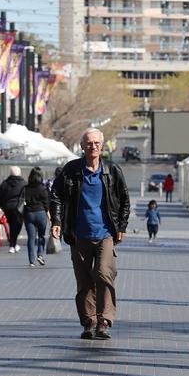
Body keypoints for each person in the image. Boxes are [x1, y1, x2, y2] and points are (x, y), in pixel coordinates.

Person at [50, 128, 130, 340]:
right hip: (79, 235)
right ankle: (89, 321)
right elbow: (55, 194)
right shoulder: (72, 170)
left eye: (96, 143)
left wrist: (122, 226)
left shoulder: (112, 170)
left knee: (104, 273)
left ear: (102, 146)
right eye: (88, 143)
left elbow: (123, 199)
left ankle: (104, 320)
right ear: (82, 146)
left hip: (105, 234)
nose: (92, 146)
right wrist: (57, 221)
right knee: (84, 281)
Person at [0, 166, 27, 254]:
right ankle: (13, 244)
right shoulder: (24, 183)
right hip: (19, 208)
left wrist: (3, 206)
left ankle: (13, 244)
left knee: (11, 225)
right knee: (18, 225)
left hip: (8, 207)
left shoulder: (5, 183)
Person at [23, 168, 49, 267]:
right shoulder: (42, 189)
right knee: (42, 236)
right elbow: (46, 203)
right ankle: (40, 255)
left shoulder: (25, 188)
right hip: (41, 213)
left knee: (31, 238)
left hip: (29, 214)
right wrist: (49, 214)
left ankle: (31, 261)